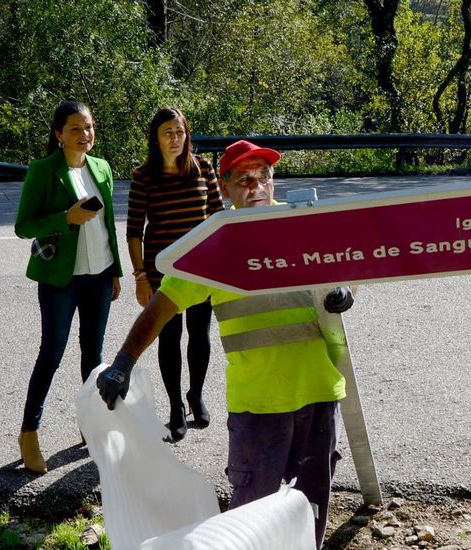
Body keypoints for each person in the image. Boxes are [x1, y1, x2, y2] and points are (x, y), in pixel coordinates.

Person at [96, 140, 355, 548]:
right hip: (258, 406)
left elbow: (343, 271)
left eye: (264, 177)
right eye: (244, 180)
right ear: (225, 187)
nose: (256, 187)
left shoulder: (301, 228)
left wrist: (343, 291)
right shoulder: (217, 245)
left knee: (310, 511)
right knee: (250, 521)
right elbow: (163, 305)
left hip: (319, 396)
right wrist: (123, 362)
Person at [14, 100, 123, 474]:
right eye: (75, 128)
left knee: (93, 357)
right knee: (52, 354)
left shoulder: (101, 167)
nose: (85, 134)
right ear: (59, 134)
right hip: (61, 279)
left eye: (89, 127)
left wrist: (116, 272)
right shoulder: (43, 171)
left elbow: (109, 226)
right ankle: (29, 432)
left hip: (100, 274)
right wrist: (66, 218)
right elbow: (24, 226)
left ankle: (89, 425)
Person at [127, 107, 224, 442]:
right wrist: (140, 275)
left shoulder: (203, 168)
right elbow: (134, 231)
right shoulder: (144, 176)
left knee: (200, 336)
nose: (175, 139)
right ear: (155, 137)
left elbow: (218, 219)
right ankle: (174, 408)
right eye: (167, 132)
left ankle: (195, 395)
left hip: (201, 269)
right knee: (168, 339)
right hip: (161, 271)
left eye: (180, 132)